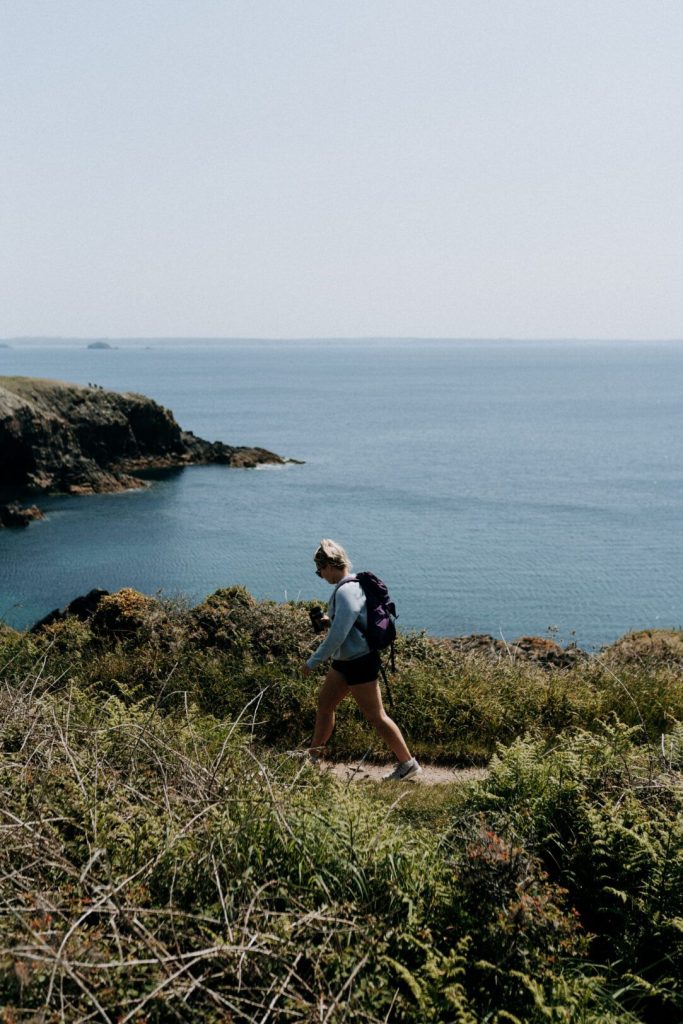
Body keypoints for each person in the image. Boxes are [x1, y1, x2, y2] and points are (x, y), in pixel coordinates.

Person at [301, 539, 422, 781]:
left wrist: (313, 661)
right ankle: (312, 758)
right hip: (346, 662)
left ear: (329, 565)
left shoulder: (346, 591)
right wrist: (328, 621)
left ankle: (408, 764)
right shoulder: (352, 586)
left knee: (376, 715)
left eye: (319, 570)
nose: (320, 575)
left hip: (358, 662)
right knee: (325, 705)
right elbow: (348, 624)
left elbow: (338, 635)